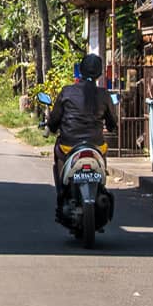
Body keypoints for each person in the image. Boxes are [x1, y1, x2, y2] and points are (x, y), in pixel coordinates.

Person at [45, 53, 118, 221]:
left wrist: (51, 127)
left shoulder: (67, 91)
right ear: (99, 73)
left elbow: (55, 118)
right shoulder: (104, 95)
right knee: (102, 154)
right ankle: (100, 183)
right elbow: (112, 122)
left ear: (80, 71)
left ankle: (62, 191)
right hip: (96, 145)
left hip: (69, 144)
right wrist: (112, 127)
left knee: (57, 149)